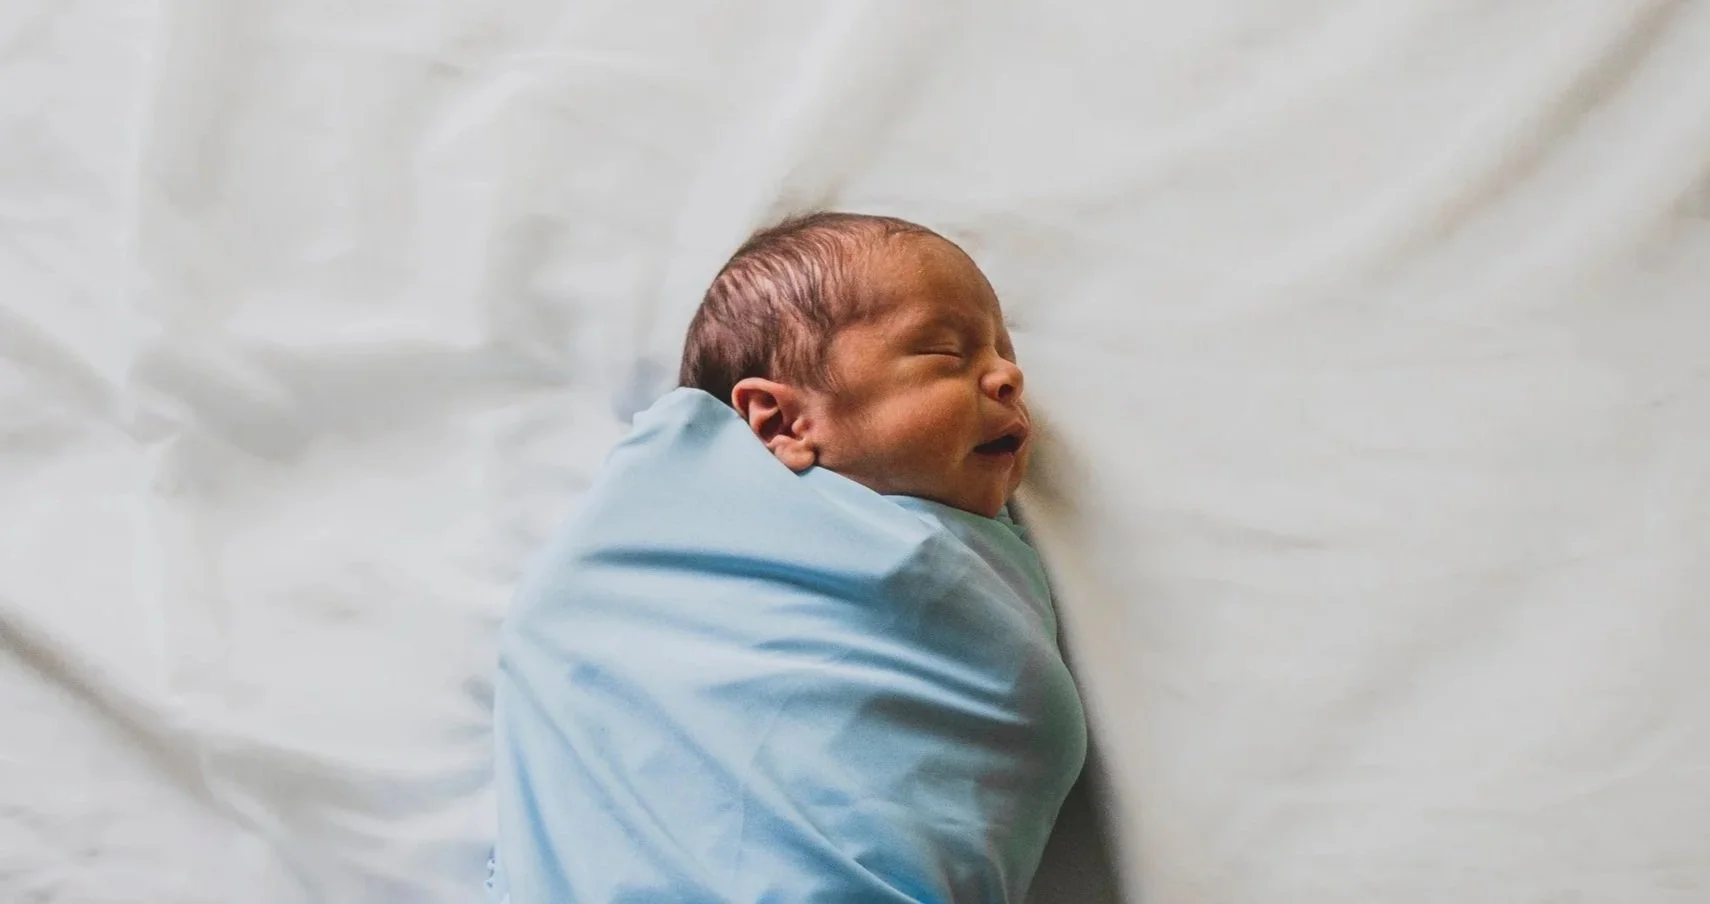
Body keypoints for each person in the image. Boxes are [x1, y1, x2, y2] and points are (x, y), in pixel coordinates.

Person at [488, 212, 1087, 902]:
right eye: (946, 353)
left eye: (1005, 352)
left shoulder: (963, 576)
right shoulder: (650, 553)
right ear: (781, 421)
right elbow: (569, 639)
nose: (1008, 376)